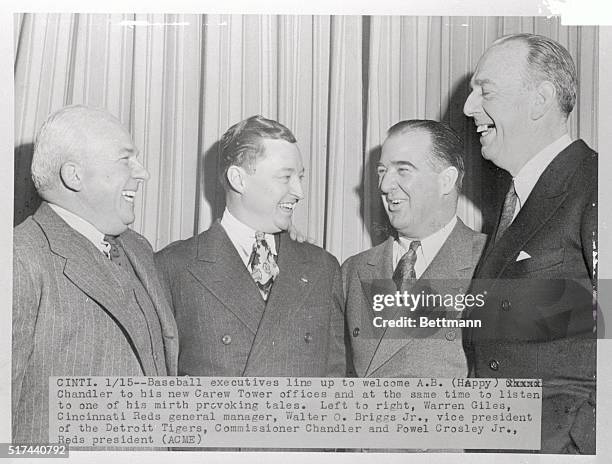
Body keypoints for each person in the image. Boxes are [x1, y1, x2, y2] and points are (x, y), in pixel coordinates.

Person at [463, 33, 596, 454]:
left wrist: (582, 446)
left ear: (540, 100)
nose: (469, 108)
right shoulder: (517, 199)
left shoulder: (595, 185)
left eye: (486, 91)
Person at [12, 105, 178, 444]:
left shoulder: (139, 249)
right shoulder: (18, 259)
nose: (142, 173)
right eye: (125, 160)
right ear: (74, 175)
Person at [155, 115, 345, 377]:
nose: (299, 191)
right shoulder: (174, 266)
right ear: (238, 179)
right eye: (285, 177)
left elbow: (337, 381)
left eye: (299, 177)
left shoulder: (323, 267)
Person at [343, 119, 486, 379]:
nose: (384, 186)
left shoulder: (489, 261)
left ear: (446, 180)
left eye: (403, 170)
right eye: (382, 171)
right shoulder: (353, 271)